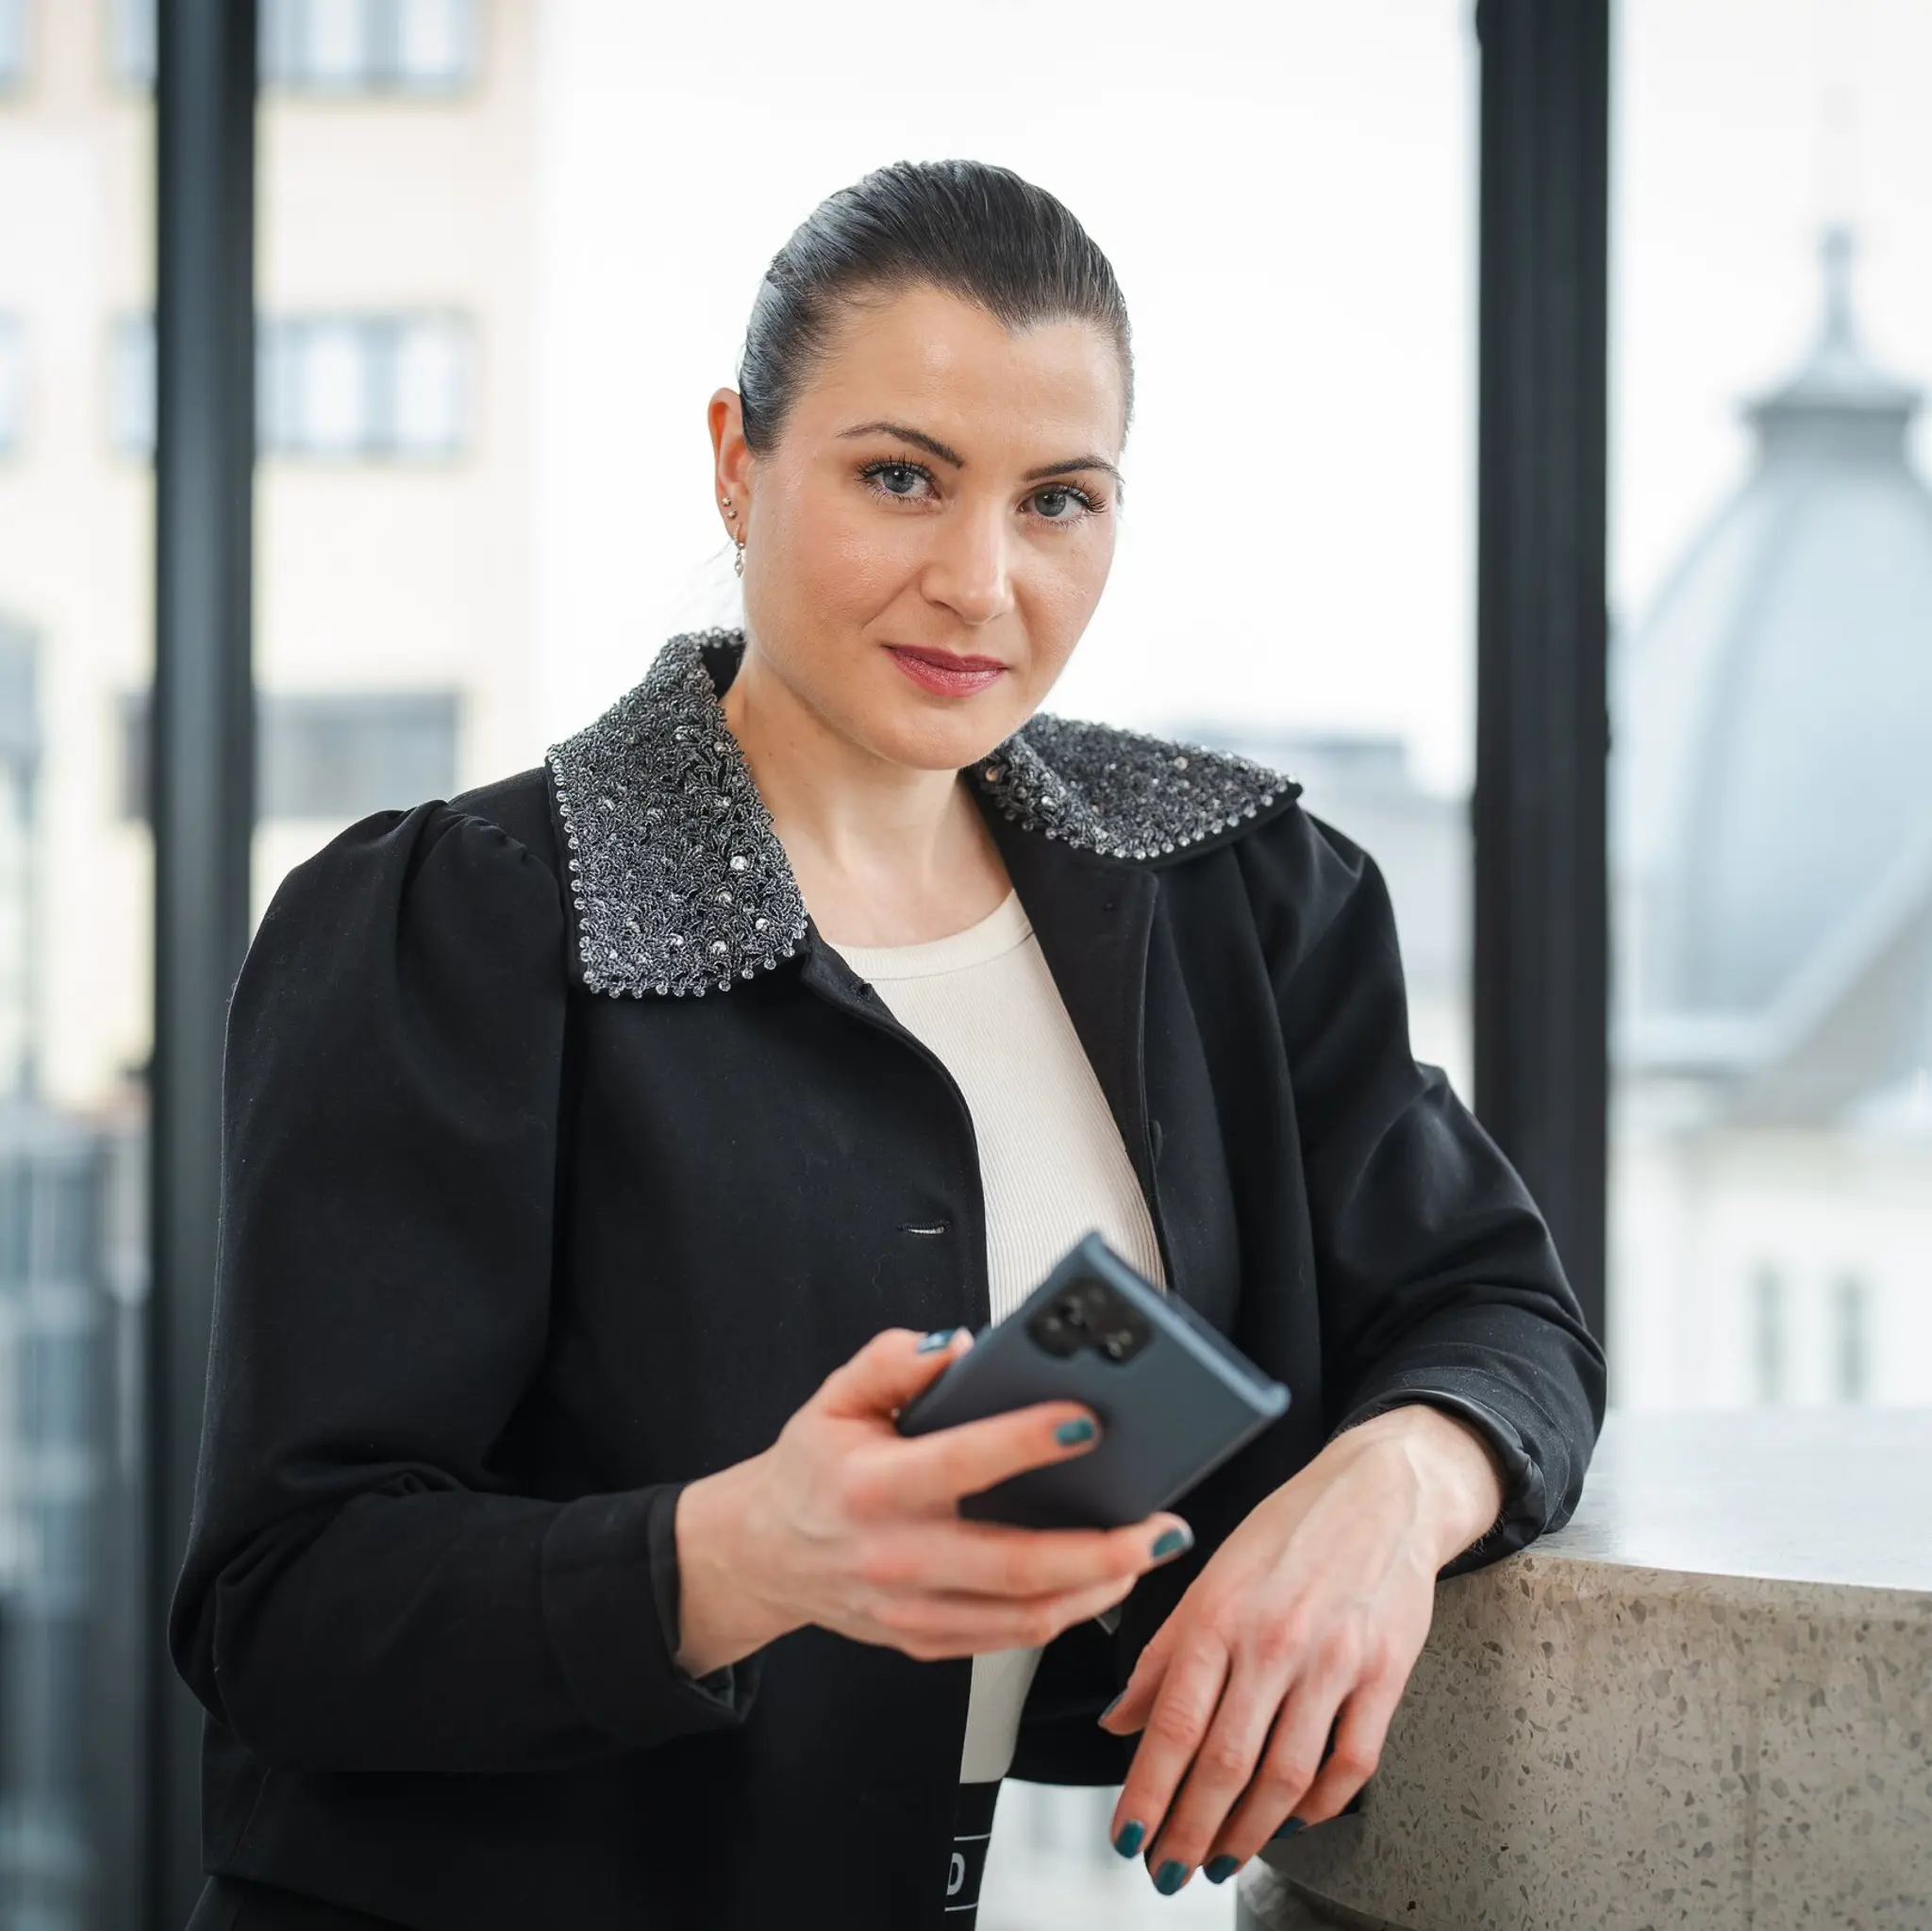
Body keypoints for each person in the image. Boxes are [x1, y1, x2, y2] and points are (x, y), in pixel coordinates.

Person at [173, 159, 1605, 1931]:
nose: (981, 582)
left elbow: (1502, 1307)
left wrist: (1396, 1484)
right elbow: (285, 1611)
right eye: (900, 476)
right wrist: (737, 1552)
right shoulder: (452, 924)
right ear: (734, 458)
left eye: (1060, 500)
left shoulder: (1240, 896)